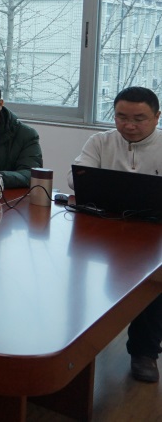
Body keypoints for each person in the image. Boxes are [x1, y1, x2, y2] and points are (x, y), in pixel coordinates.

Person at [70, 86, 162, 384]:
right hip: (105, 225)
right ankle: (81, 341)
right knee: (80, 266)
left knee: (151, 283)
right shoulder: (101, 141)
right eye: (122, 117)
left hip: (154, 230)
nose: (129, 125)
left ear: (157, 117)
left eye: (139, 118)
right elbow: (75, 177)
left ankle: (144, 352)